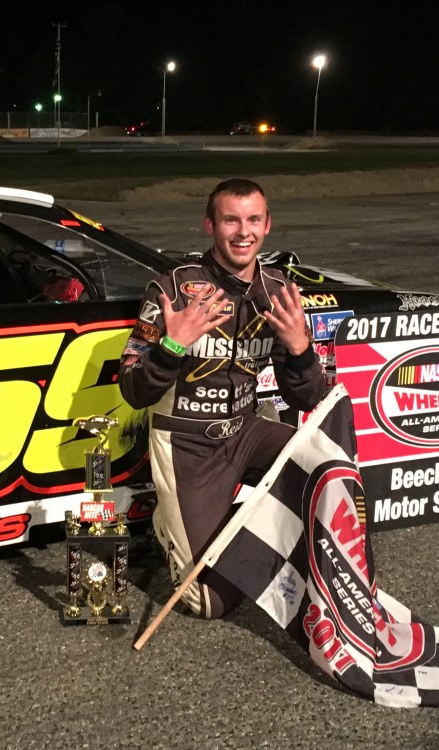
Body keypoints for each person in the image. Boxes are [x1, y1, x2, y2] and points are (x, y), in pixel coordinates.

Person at [118, 178, 327, 619]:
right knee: (207, 603)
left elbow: (310, 397)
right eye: (231, 220)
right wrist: (172, 347)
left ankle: (268, 540)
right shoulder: (171, 290)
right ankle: (172, 523)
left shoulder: (279, 290)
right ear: (209, 225)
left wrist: (299, 348)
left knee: (327, 466)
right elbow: (134, 390)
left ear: (268, 225)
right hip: (187, 443)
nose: (242, 231)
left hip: (247, 430)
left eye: (253, 219)